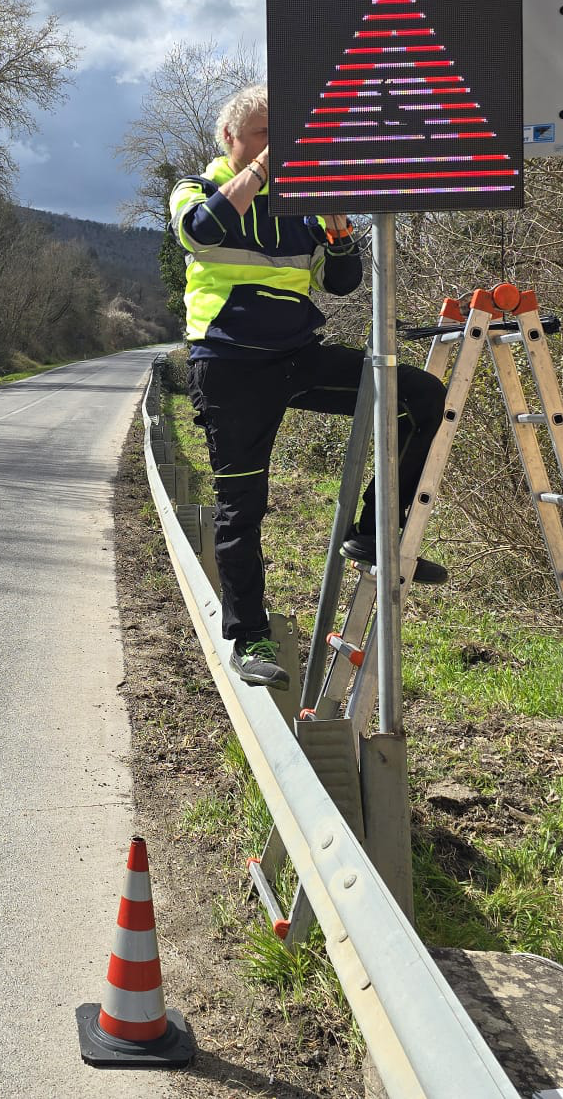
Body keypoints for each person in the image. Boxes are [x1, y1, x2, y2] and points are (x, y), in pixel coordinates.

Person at [168, 84, 447, 690]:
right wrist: (264, 172)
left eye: (282, 134)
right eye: (264, 133)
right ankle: (249, 636)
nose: (276, 145)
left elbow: (342, 282)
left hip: (297, 355)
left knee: (421, 398)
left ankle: (373, 532)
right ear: (230, 139)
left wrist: (340, 229)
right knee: (243, 506)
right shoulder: (198, 187)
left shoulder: (305, 203)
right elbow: (201, 231)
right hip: (230, 364)